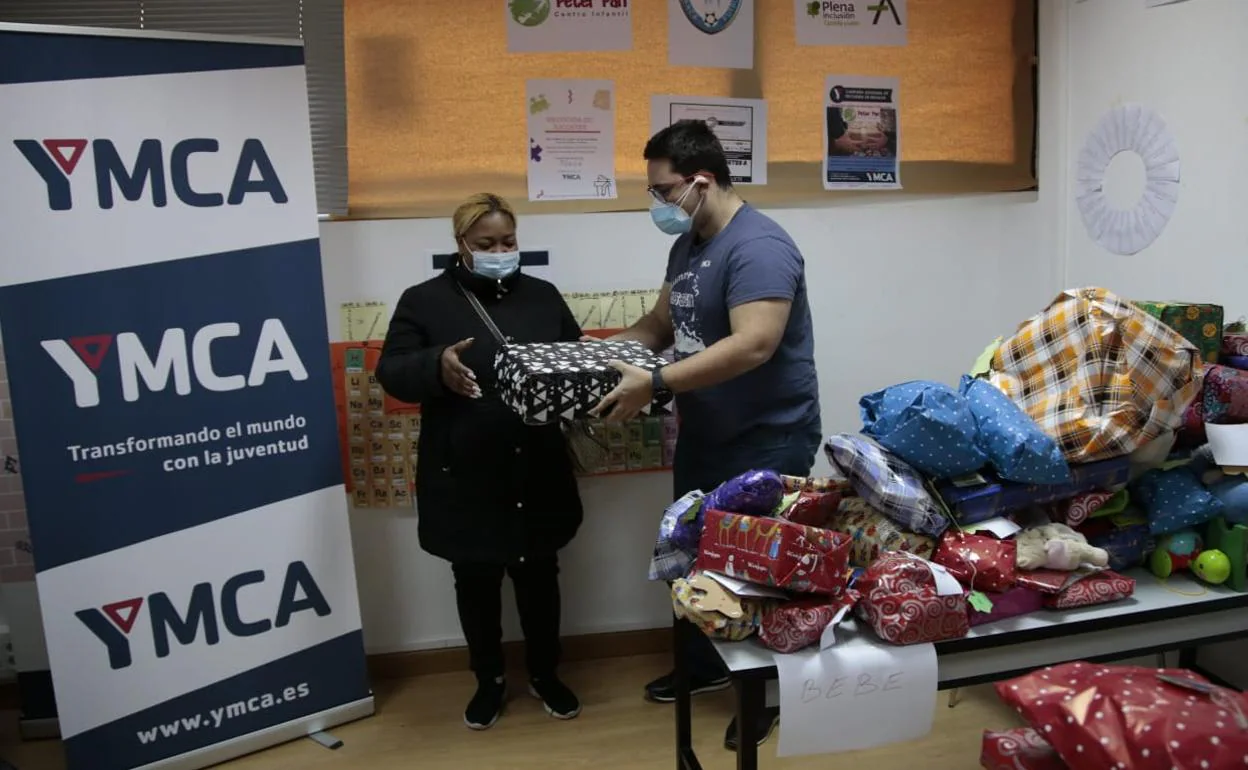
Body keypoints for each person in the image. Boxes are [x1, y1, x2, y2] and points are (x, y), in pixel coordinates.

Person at [590, 120, 822, 751]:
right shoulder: (690, 242)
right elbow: (660, 322)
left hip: (767, 439)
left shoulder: (760, 247)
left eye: (663, 191)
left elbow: (755, 344)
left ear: (701, 180)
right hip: (707, 433)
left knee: (760, 573)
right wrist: (596, 358)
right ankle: (701, 669)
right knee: (694, 557)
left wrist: (656, 383)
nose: (657, 204)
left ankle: (766, 693)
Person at [376, 193, 585, 731]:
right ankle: (488, 679)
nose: (500, 251)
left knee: (540, 574)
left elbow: (574, 356)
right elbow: (392, 371)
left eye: (509, 242)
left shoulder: (542, 295)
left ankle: (545, 674)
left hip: (536, 463)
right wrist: (435, 366)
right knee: (475, 579)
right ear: (461, 245)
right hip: (464, 471)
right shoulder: (424, 300)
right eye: (486, 243)